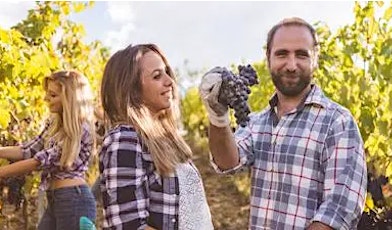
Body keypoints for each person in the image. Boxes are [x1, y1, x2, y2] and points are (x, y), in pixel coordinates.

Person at [199, 17, 367, 229]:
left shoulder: (338, 123)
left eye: (301, 54)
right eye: (282, 54)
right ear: (268, 57)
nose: (291, 65)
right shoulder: (257, 123)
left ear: (315, 59)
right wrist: (218, 116)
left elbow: (340, 209)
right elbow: (227, 163)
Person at [99, 43, 213, 230]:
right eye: (157, 76)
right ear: (131, 88)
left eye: (167, 72)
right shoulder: (125, 139)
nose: (170, 81)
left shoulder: (165, 139)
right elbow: (130, 226)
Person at [0, 70, 97, 230]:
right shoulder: (53, 124)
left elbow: (38, 161)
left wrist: (2, 172)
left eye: (52, 95)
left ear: (69, 98)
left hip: (74, 200)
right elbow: (28, 150)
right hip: (56, 199)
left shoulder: (80, 128)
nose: (46, 99)